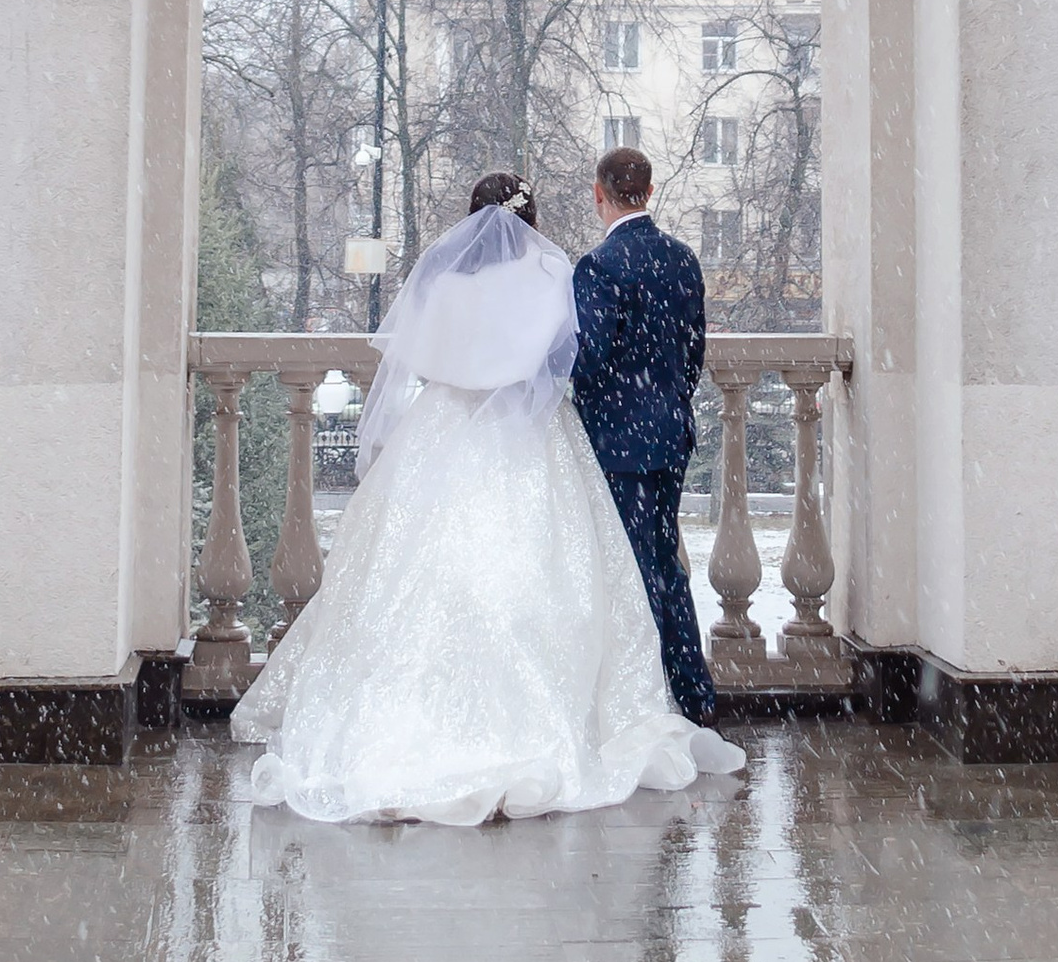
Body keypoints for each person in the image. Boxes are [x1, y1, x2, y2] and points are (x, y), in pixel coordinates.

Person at [231, 175, 743, 828]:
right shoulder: (549, 272)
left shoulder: (442, 281)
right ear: (529, 218)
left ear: (471, 218)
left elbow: (419, 362)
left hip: (440, 438)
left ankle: (401, 727)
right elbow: (563, 359)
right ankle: (547, 721)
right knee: (536, 578)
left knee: (415, 584)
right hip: (527, 441)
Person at [569, 145, 719, 724]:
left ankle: (652, 700)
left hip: (617, 443)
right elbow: (693, 353)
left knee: (635, 570)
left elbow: (591, 359)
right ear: (649, 192)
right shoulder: (682, 260)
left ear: (598, 193)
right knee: (663, 562)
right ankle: (690, 693)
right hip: (669, 434)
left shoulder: (600, 266)